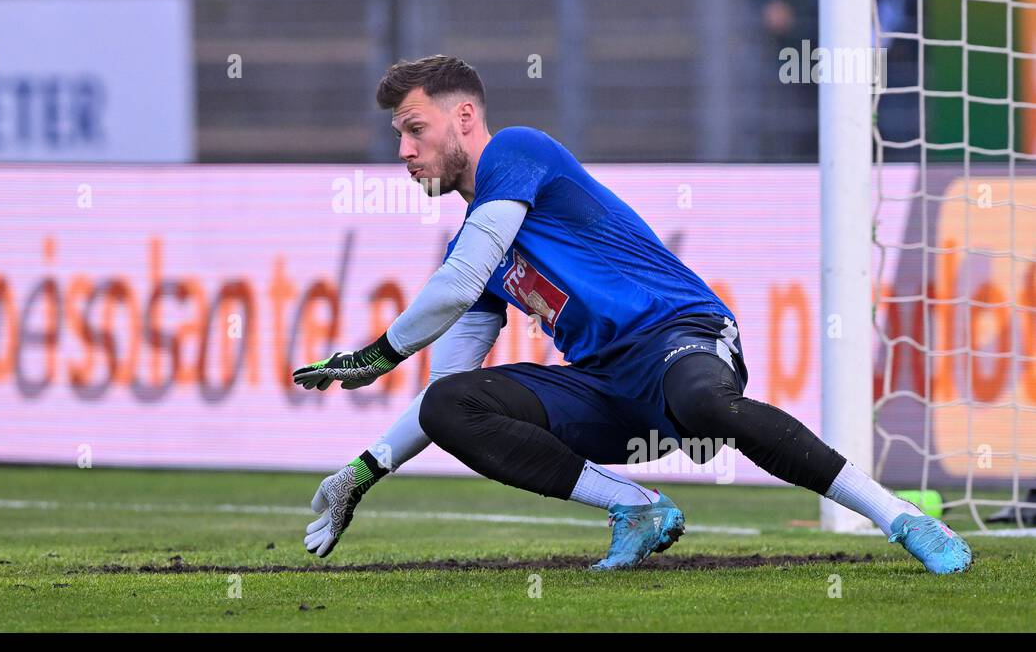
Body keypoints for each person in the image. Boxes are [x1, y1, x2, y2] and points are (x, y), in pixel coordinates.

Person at [292, 55, 972, 574]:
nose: (404, 152)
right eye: (399, 136)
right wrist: (360, 472)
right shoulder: (480, 243)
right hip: (611, 391)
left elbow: (455, 282)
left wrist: (376, 356)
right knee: (452, 406)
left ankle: (900, 517)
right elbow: (444, 385)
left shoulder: (516, 152)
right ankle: (636, 507)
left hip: (683, 339)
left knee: (705, 405)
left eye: (415, 130)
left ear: (464, 117)